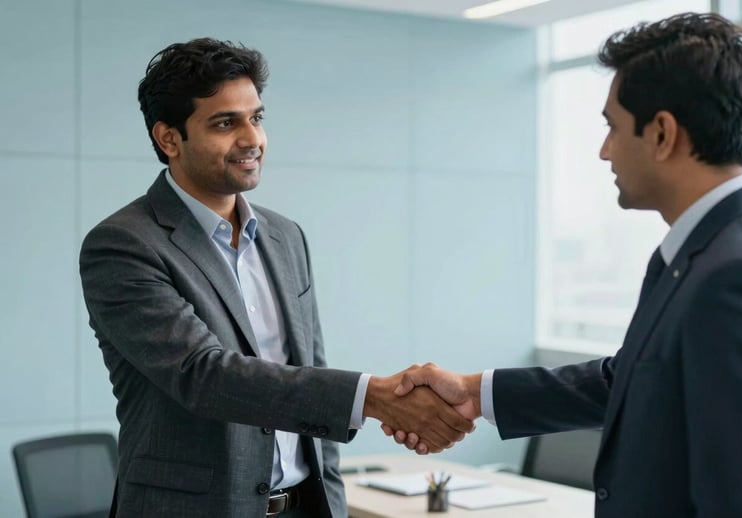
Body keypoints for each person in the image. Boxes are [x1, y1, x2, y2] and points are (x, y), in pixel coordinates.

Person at [388, 12, 742, 517]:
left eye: (612, 127)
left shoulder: (735, 275)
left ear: (661, 134)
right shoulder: (705, 254)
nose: (604, 151)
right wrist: (476, 393)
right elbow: (628, 381)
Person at [79, 38, 473, 518]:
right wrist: (374, 398)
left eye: (257, 118)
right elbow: (204, 376)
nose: (252, 139)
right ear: (169, 138)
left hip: (305, 506)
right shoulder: (124, 245)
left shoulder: (286, 236)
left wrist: (333, 499)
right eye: (226, 123)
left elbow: (308, 364)